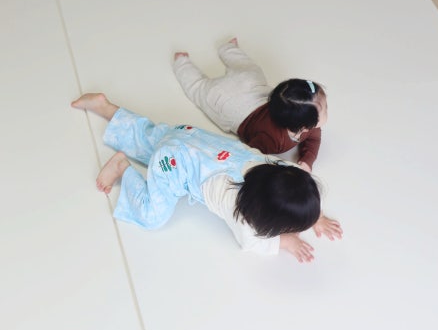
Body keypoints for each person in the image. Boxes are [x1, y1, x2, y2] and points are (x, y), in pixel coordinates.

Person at [71, 92, 342, 262]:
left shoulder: (272, 166)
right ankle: (123, 168)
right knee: (152, 217)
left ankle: (107, 108)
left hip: (188, 137)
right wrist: (286, 241)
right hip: (172, 165)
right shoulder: (245, 217)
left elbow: (296, 181)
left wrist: (314, 215)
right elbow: (252, 242)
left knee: (148, 138)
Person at [173, 37, 328, 172]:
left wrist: (307, 161)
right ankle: (182, 63)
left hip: (251, 84)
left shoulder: (309, 124)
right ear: (304, 126)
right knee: (199, 89)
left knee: (248, 68)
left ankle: (229, 49)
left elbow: (314, 139)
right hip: (231, 104)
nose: (328, 109)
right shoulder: (271, 139)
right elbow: (251, 155)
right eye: (325, 109)